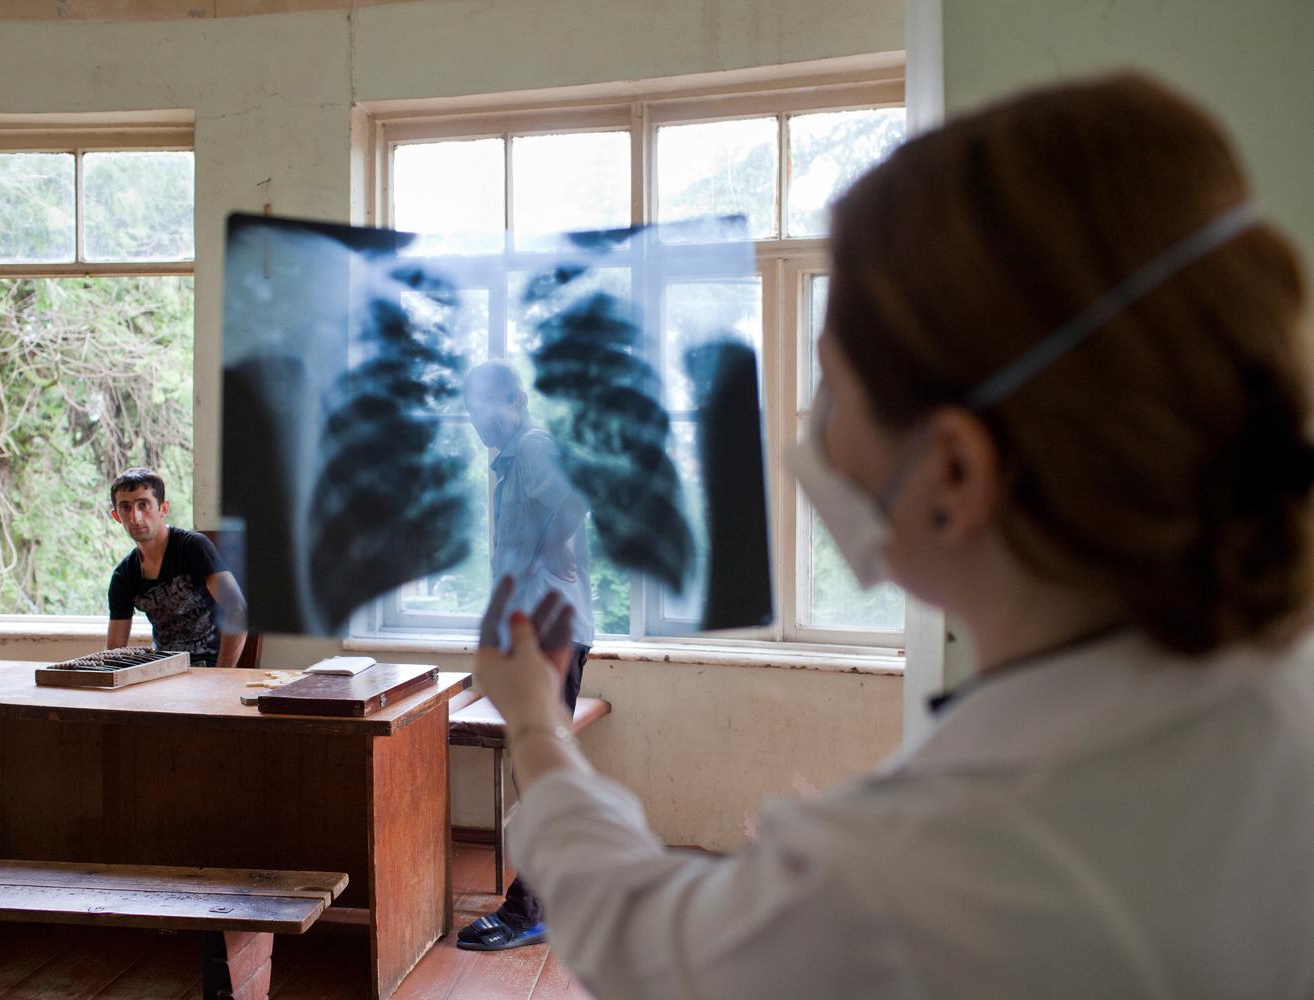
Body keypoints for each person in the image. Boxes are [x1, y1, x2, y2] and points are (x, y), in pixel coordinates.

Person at [471, 73, 1314, 998]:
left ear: (954, 471)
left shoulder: (939, 869)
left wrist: (536, 725)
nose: (815, 437)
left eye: (834, 389)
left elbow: (648, 946)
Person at [457, 360, 595, 952]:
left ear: (514, 399)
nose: (476, 422)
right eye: (469, 412)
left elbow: (573, 505)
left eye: (485, 408)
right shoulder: (513, 460)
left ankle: (530, 910)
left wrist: (540, 564)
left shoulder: (534, 447)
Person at [106, 468, 249, 668]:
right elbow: (114, 652)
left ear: (163, 508)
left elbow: (237, 610)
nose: (135, 517)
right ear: (116, 516)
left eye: (143, 505)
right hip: (164, 673)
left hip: (211, 668)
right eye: (125, 507)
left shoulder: (192, 547)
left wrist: (221, 676)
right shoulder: (124, 576)